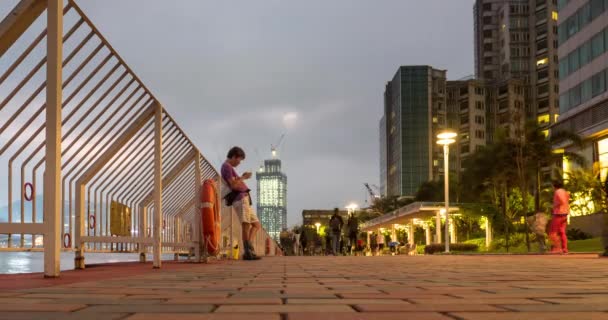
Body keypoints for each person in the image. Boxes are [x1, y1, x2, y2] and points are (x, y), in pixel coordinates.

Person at [221, 146, 261, 260]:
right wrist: (244, 177)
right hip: (240, 198)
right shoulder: (226, 167)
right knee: (246, 225)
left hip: (244, 198)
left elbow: (235, 182)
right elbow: (233, 185)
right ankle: (248, 252)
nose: (239, 163)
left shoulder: (228, 167)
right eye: (239, 160)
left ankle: (249, 248)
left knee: (256, 225)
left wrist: (241, 177)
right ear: (234, 156)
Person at [549, 180, 570, 254]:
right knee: (562, 232)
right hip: (565, 214)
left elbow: (562, 201)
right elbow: (566, 201)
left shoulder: (558, 192)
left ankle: (556, 248)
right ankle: (564, 249)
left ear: (555, 186)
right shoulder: (565, 192)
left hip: (558, 214)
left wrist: (555, 205)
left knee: (553, 231)